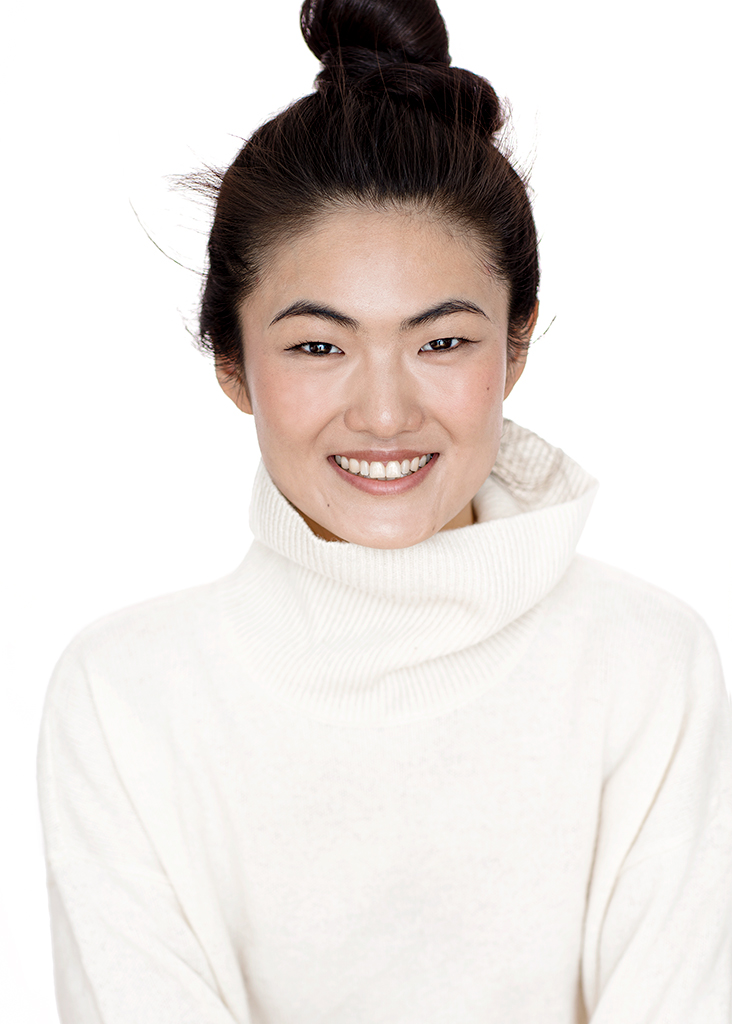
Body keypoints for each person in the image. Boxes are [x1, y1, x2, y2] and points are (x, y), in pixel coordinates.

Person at [37, 0, 732, 1020]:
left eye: (442, 342)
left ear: (516, 346)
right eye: (318, 346)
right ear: (232, 365)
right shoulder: (127, 696)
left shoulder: (645, 665)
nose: (385, 411)